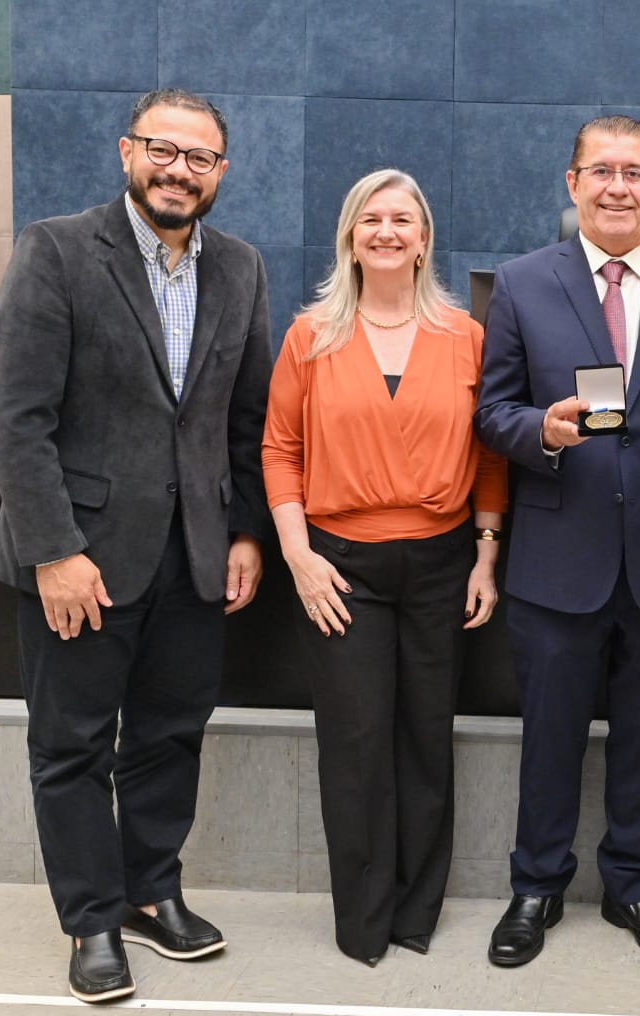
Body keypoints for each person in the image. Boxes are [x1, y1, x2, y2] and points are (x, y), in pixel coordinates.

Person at [0, 89, 272, 1003]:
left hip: (195, 555)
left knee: (170, 734)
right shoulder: (58, 250)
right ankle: (92, 920)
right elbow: (17, 419)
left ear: (220, 172)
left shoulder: (241, 268)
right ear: (127, 151)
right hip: (82, 558)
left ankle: (151, 893)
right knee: (72, 746)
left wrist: (244, 531)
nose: (179, 170)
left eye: (200, 158)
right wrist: (53, 551)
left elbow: (246, 418)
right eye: (163, 149)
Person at [475, 115, 640, 968]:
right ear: (573, 182)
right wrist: (541, 433)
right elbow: (492, 412)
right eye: (601, 171)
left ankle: (633, 885)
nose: (617, 187)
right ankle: (535, 885)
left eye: (634, 172)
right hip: (558, 559)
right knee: (549, 736)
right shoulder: (522, 283)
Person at [262, 169, 507, 966]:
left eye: (403, 219)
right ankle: (364, 922)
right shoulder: (310, 337)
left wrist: (486, 556)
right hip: (340, 567)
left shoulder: (466, 337)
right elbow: (280, 450)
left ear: (425, 239)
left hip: (442, 562)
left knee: (426, 737)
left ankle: (415, 912)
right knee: (357, 740)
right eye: (371, 219)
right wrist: (298, 556)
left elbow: (490, 457)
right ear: (350, 237)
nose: (387, 232)